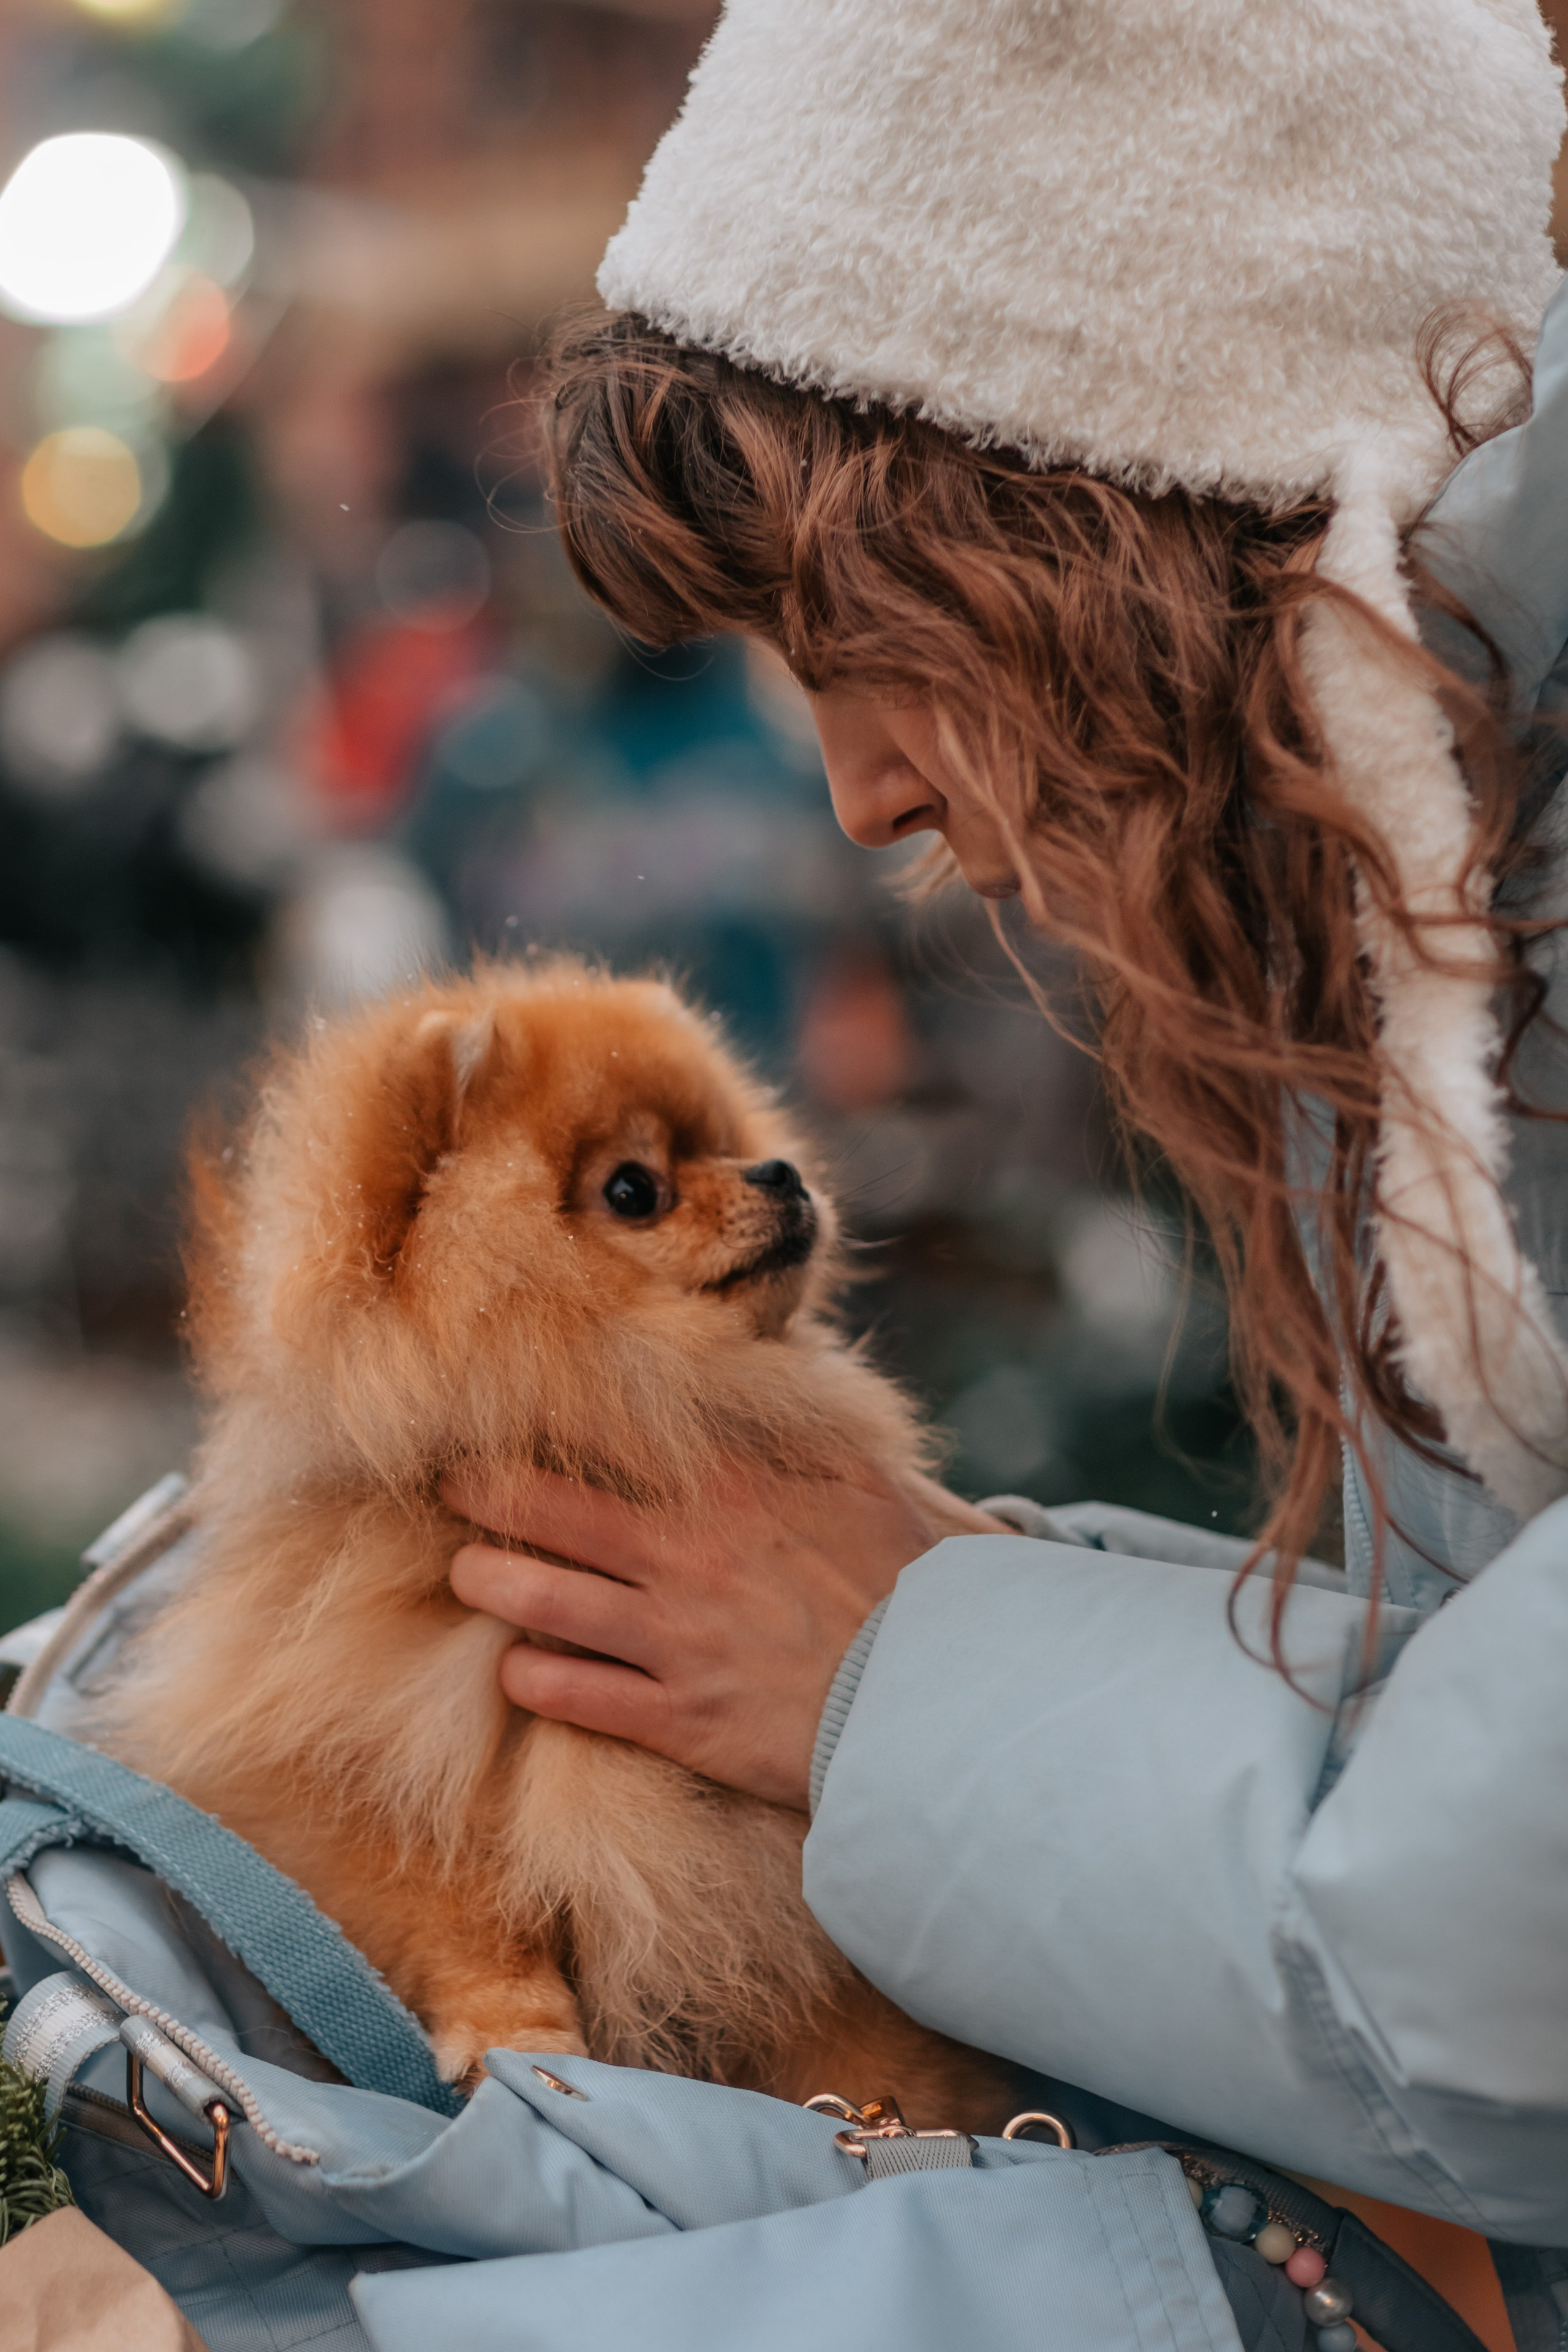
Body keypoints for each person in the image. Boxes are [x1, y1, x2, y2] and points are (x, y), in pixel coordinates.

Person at [445, 3, 1568, 2340]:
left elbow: (1515, 1956)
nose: (853, 790)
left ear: (1094, 491)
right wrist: (969, 1608)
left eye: (860, 629)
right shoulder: (1428, 873)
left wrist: (897, 1670)